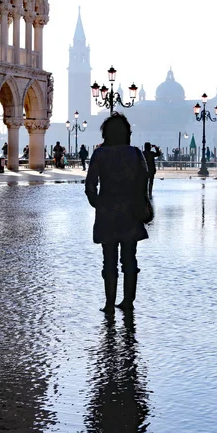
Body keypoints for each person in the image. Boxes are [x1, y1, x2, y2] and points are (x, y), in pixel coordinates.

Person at [85, 112, 149, 314]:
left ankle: (109, 303)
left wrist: (98, 203)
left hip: (107, 213)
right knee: (130, 259)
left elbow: (90, 185)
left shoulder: (100, 154)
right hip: (131, 212)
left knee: (109, 260)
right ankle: (128, 301)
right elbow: (144, 180)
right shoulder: (136, 154)